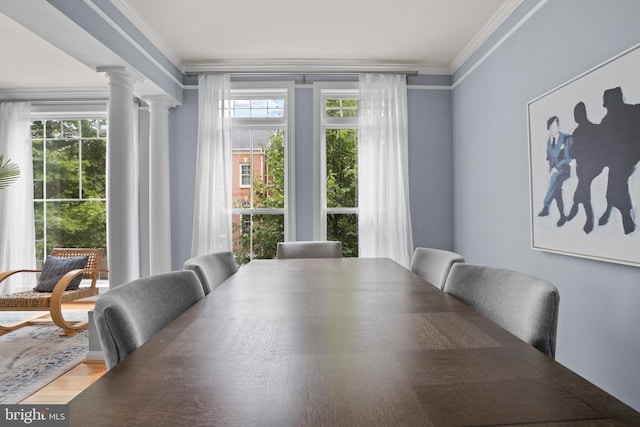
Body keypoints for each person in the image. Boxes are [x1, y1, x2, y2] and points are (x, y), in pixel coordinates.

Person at [538, 115, 572, 226]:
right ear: (548, 129)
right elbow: (549, 159)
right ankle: (562, 216)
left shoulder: (566, 138)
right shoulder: (549, 142)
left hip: (565, 169)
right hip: (556, 171)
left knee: (554, 178)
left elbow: (569, 158)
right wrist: (549, 170)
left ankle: (546, 206)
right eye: (552, 126)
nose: (555, 128)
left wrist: (555, 168)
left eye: (556, 125)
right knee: (556, 188)